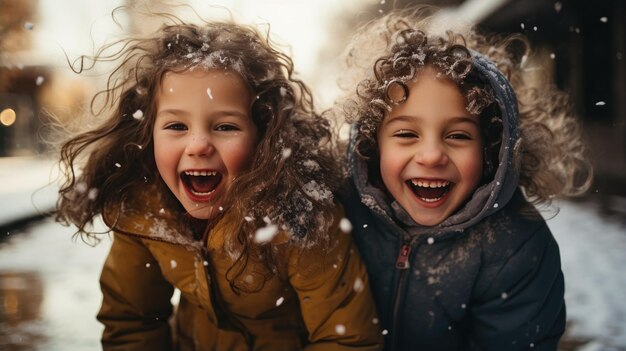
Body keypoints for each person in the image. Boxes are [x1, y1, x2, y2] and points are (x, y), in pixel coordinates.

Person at [55, 13, 382, 351]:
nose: (198, 146)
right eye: (176, 127)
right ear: (147, 135)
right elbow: (131, 322)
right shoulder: (144, 210)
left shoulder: (301, 217)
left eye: (225, 127)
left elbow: (347, 340)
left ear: (264, 136)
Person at [335, 6, 593, 351]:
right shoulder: (340, 212)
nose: (431, 155)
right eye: (406, 134)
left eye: (457, 136)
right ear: (373, 145)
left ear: (491, 148)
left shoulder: (516, 246)